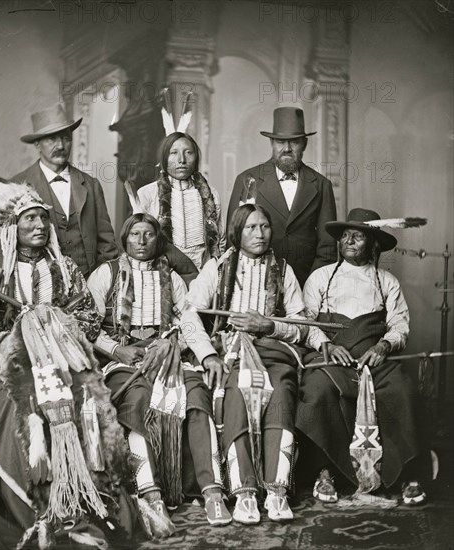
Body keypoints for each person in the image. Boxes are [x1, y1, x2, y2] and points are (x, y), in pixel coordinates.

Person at [0, 185, 131, 547]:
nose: (40, 224)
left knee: (87, 402)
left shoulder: (64, 267)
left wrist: (54, 324)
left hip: (65, 358)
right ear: (14, 227)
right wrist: (22, 332)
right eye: (31, 218)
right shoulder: (1, 272)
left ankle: (88, 501)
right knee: (14, 405)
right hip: (15, 364)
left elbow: (90, 319)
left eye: (44, 217)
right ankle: (37, 510)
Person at [181, 203, 327, 524]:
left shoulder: (283, 269)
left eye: (264, 227)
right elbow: (189, 315)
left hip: (274, 352)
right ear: (237, 231)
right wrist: (207, 355)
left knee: (282, 390)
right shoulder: (217, 268)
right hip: (231, 351)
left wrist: (269, 326)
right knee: (236, 389)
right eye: (251, 227)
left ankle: (277, 491)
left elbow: (301, 324)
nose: (259, 234)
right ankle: (244, 491)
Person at [86, 213, 231, 535]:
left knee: (195, 395)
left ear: (158, 239)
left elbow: (189, 320)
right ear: (124, 239)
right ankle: (150, 493)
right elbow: (87, 325)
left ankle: (212, 491)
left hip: (167, 351)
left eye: (148, 234)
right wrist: (116, 350)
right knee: (135, 398)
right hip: (124, 354)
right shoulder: (104, 275)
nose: (141, 241)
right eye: (134, 234)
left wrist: (206, 355)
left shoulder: (172, 278)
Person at [297, 208, 430, 506]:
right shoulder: (320, 278)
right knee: (317, 391)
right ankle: (325, 472)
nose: (349, 241)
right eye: (345, 236)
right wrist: (324, 345)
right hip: (333, 359)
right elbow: (306, 323)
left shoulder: (386, 281)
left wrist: (383, 346)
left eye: (357, 236)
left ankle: (408, 474)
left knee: (402, 391)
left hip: (375, 361)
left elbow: (399, 326)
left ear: (373, 244)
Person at [226, 107, 337, 287]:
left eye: (294, 142)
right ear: (271, 143)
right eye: (280, 141)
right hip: (255, 284)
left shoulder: (321, 185)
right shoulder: (248, 179)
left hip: (305, 283)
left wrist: (312, 286)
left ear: (305, 144)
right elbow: (233, 239)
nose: (286, 148)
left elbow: (327, 248)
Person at [11, 105, 118, 277]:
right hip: (40, 289)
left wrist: (103, 282)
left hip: (89, 286)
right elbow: (8, 247)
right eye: (52, 139)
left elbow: (107, 243)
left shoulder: (91, 185)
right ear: (37, 144)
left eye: (66, 138)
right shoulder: (17, 186)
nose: (60, 145)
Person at [137, 132, 225, 272]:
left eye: (188, 152)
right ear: (164, 158)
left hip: (204, 274)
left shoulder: (212, 194)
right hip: (162, 273)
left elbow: (220, 241)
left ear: (196, 158)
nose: (181, 159)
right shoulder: (147, 194)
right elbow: (140, 242)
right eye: (173, 153)